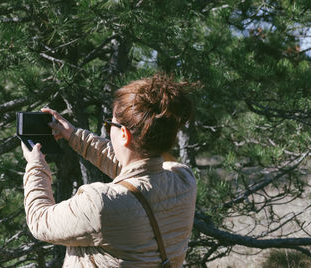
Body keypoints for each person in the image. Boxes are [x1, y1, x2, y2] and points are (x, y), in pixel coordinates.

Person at [21, 74, 197, 267]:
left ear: (123, 134)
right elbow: (136, 169)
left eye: (110, 124)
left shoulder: (100, 205)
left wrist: (35, 165)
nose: (108, 129)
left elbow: (40, 221)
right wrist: (74, 136)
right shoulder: (184, 180)